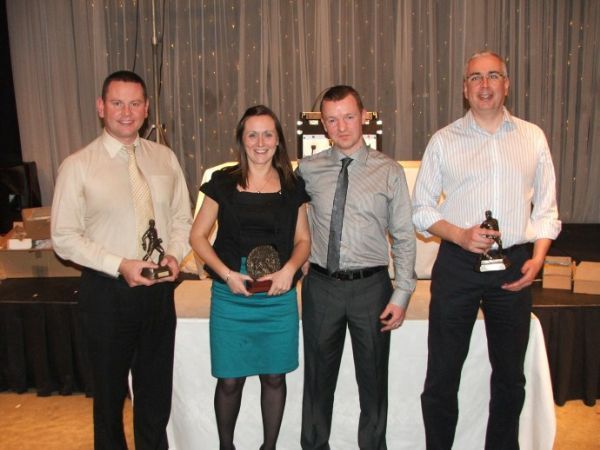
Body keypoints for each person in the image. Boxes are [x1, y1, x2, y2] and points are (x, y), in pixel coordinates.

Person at [412, 51, 561, 450]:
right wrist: (459, 235)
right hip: (457, 265)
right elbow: (421, 209)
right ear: (465, 88)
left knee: (510, 377)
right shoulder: (444, 140)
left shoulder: (532, 137)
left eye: (493, 75)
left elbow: (546, 210)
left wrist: (538, 259)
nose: (484, 84)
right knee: (442, 376)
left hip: (514, 264)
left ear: (506, 84)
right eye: (475, 77)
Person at [51, 70, 192, 449]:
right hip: (107, 294)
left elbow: (182, 218)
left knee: (155, 398)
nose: (126, 112)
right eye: (117, 103)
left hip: (159, 293)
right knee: (109, 401)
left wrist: (175, 254)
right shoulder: (78, 166)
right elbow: (63, 237)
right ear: (101, 107)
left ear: (146, 109)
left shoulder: (164, 158)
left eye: (134, 104)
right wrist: (119, 264)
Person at [297, 85, 416, 450]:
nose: (342, 127)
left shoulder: (389, 171)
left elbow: (404, 236)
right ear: (323, 125)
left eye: (349, 117)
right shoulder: (307, 170)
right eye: (332, 120)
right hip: (321, 287)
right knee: (317, 382)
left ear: (364, 117)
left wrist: (402, 293)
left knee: (374, 382)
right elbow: (292, 225)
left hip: (371, 288)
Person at [190, 105, 310, 450]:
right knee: (230, 381)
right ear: (241, 140)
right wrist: (227, 274)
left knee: (274, 377)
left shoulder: (292, 185)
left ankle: (268, 447)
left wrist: (289, 270)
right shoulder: (223, 181)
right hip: (231, 294)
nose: (260, 142)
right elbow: (197, 236)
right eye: (252, 135)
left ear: (278, 140)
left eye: (268, 134)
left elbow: (304, 240)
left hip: (278, 295)